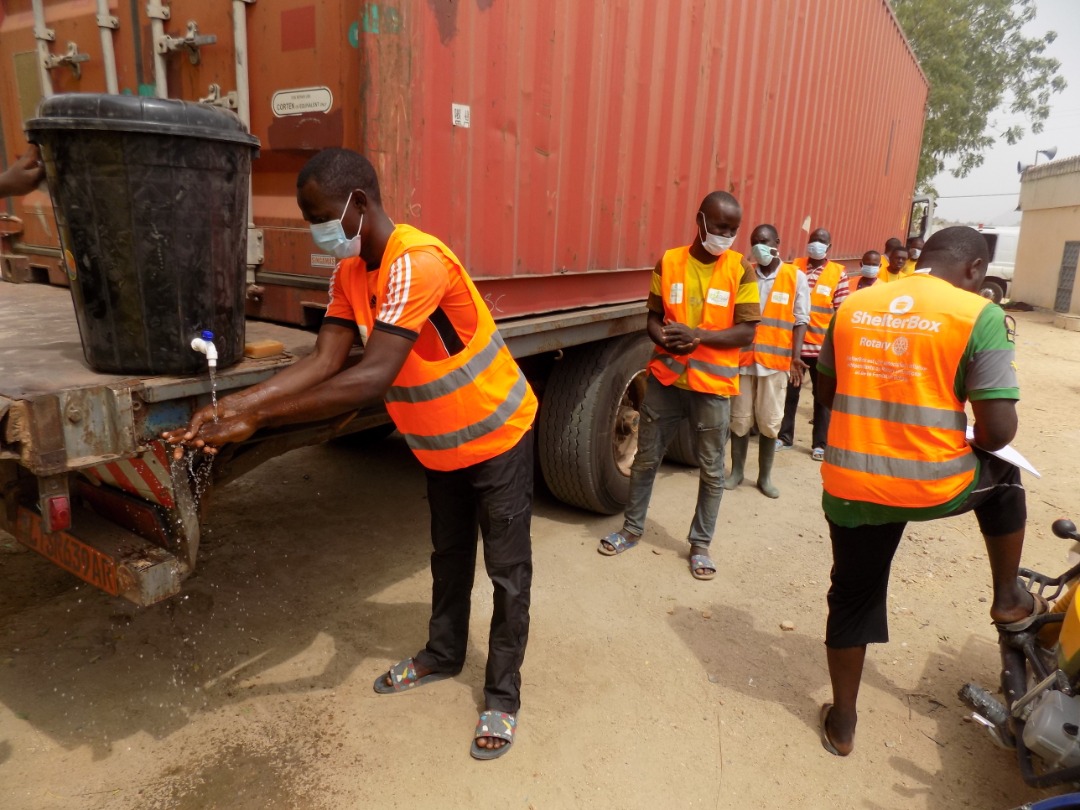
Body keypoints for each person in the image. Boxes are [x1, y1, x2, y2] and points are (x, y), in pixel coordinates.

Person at [164, 148, 537, 761]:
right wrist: (237, 407)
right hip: (440, 445)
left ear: (358, 204)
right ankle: (442, 655)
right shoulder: (350, 274)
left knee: (507, 572)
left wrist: (256, 417)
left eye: (320, 215)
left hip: (497, 436)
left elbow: (372, 377)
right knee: (448, 554)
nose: (316, 229)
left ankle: (502, 695)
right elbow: (323, 361)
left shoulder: (417, 263)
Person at [814, 225, 1038, 758]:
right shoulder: (975, 315)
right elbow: (998, 433)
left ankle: (842, 724)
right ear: (975, 270)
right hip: (932, 485)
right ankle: (1007, 599)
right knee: (1006, 478)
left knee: (852, 596)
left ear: (921, 259)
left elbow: (825, 389)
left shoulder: (855, 303)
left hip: (852, 483)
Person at [598, 191, 759, 580]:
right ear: (700, 221)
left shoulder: (741, 270)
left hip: (713, 386)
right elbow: (653, 317)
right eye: (720, 226)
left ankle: (700, 545)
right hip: (667, 378)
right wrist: (662, 338)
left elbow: (747, 332)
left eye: (733, 229)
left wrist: (699, 337)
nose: (726, 235)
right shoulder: (668, 262)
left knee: (711, 470)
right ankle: (631, 530)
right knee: (646, 458)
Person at [724, 223, 808, 498]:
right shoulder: (743, 272)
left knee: (770, 421)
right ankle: (737, 472)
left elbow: (800, 319)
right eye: (754, 242)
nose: (758, 246)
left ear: (777, 242)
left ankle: (765, 477)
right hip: (744, 359)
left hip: (775, 363)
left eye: (764, 241)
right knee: (739, 419)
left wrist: (796, 356)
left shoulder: (795, 277)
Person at [777, 227, 849, 460]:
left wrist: (837, 349)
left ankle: (821, 444)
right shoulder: (793, 266)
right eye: (813, 240)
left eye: (822, 242)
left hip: (821, 349)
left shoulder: (839, 273)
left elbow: (842, 313)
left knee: (822, 397)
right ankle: (784, 437)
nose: (816, 244)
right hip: (795, 345)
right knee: (789, 394)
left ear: (829, 248)